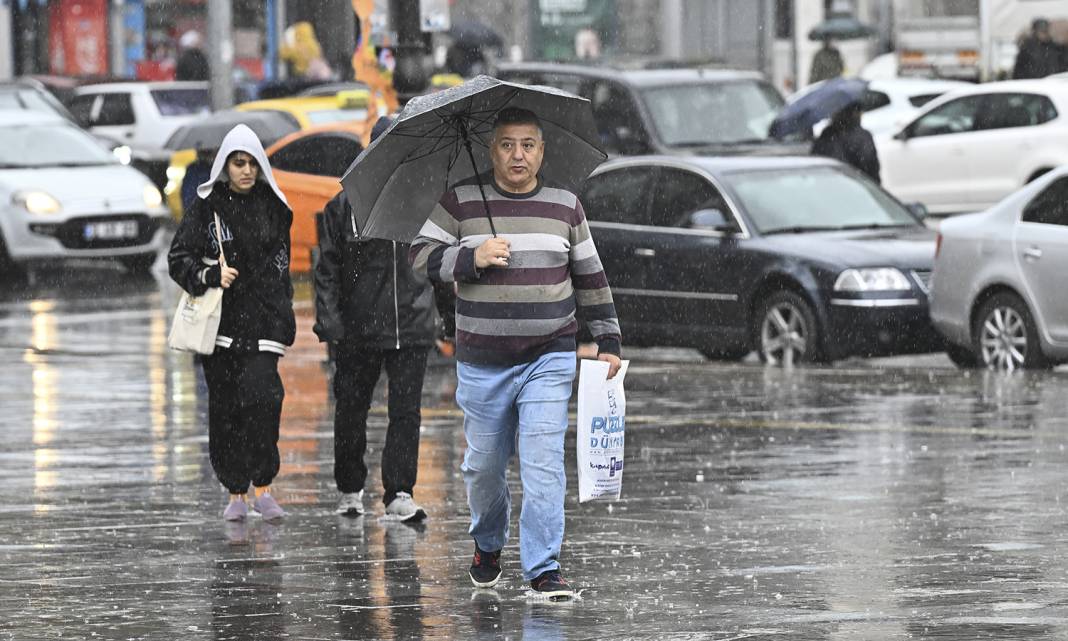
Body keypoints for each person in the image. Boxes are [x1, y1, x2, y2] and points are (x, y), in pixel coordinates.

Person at [409, 107, 623, 599]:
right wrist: (471, 257)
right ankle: (487, 544)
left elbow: (590, 277)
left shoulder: (565, 205)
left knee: (543, 461)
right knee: (483, 468)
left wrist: (608, 339)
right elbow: (420, 255)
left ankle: (544, 568)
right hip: (482, 360)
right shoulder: (462, 201)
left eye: (528, 144)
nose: (518, 154)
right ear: (493, 150)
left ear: (542, 151)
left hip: (549, 355)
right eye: (507, 144)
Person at [168, 124, 295, 523]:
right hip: (220, 327)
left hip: (262, 327)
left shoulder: (274, 207)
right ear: (225, 165)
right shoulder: (208, 207)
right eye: (238, 163)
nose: (246, 171)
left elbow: (281, 269)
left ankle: (264, 487)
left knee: (264, 402)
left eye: (253, 164)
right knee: (225, 411)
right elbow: (179, 258)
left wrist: (281, 318)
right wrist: (209, 276)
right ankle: (235, 491)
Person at [313, 116, 435, 523]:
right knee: (351, 409)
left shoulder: (424, 203)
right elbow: (327, 268)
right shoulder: (344, 206)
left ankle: (399, 490)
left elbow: (438, 265)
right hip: (358, 329)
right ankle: (350, 488)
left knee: (406, 412)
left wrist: (450, 315)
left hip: (413, 326)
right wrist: (331, 324)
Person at [812, 101, 881, 184]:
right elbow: (870, 164)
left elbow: (816, 159)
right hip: (857, 185)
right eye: (860, 112)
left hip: (830, 184)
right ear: (854, 113)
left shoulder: (827, 134)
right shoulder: (862, 136)